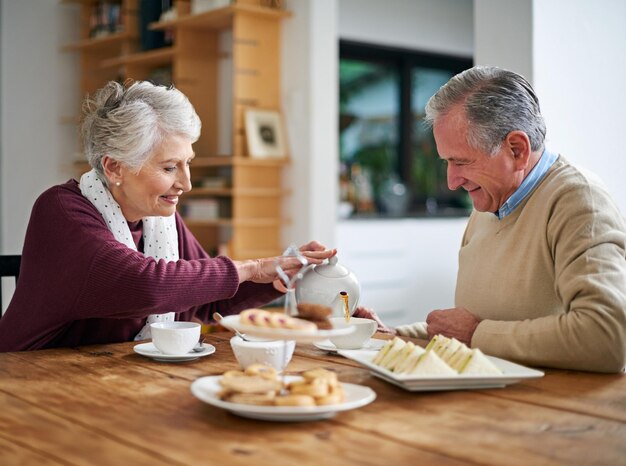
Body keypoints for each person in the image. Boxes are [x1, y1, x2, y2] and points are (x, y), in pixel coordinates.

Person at [0, 81, 335, 352]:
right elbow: (145, 285)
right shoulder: (59, 210)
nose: (186, 183)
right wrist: (253, 267)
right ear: (114, 167)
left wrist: (281, 274)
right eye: (169, 167)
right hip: (27, 380)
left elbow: (204, 301)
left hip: (103, 377)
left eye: (187, 163)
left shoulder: (158, 219)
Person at [356, 65, 626, 373]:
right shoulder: (485, 207)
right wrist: (391, 335)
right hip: (486, 407)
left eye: (460, 161)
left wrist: (475, 333)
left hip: (550, 414)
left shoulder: (579, 201)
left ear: (517, 149)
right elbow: (471, 325)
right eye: (447, 162)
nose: (451, 181)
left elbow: (605, 337)